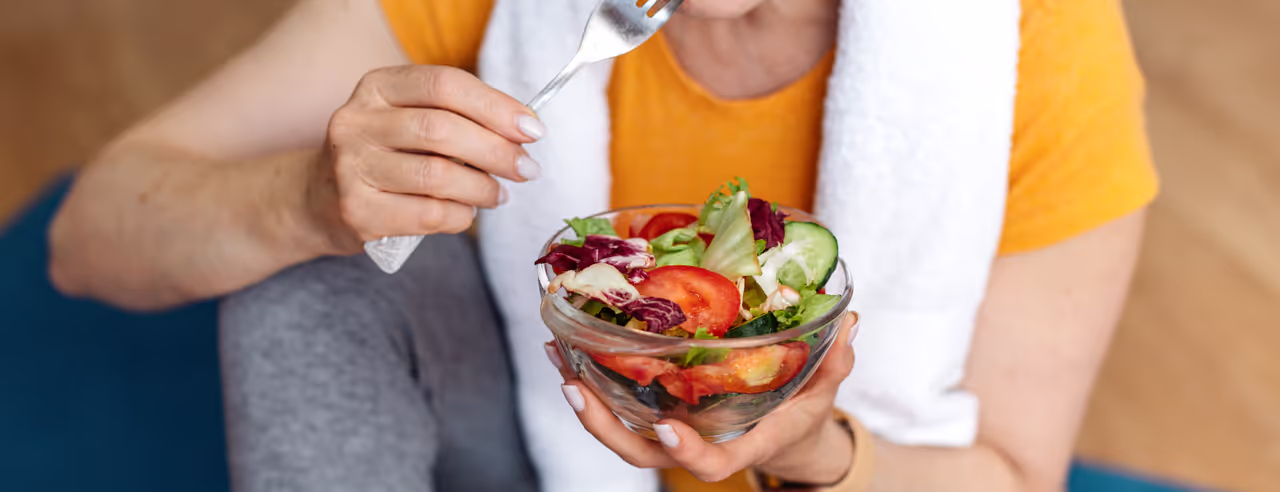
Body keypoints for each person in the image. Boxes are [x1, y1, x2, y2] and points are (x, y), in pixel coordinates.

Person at [47, 0, 1158, 490]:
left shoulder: (1026, 41)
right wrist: (305, 201)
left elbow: (1007, 478)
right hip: (532, 454)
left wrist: (808, 453)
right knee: (303, 289)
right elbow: (88, 237)